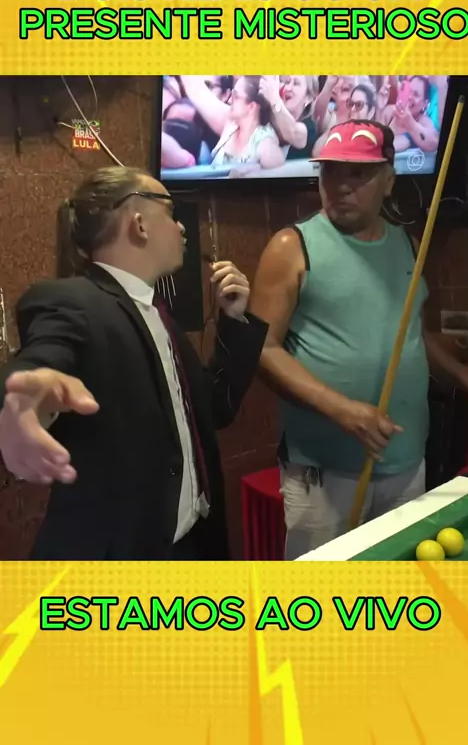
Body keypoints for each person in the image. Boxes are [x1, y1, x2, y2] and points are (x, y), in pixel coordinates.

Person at [0, 166, 268, 561]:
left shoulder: (160, 317)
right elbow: (40, 360)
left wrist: (234, 321)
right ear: (139, 223)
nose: (182, 228)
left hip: (191, 548)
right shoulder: (70, 302)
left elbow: (214, 410)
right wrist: (23, 399)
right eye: (171, 213)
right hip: (120, 567)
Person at [249, 119, 468, 560]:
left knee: (395, 586)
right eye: (331, 172)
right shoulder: (291, 246)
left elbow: (413, 336)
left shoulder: (408, 245)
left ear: (389, 181)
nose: (340, 186)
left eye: (358, 174)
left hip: (406, 462)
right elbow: (263, 350)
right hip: (323, 474)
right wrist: (344, 411)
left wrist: (466, 380)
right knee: (325, 593)